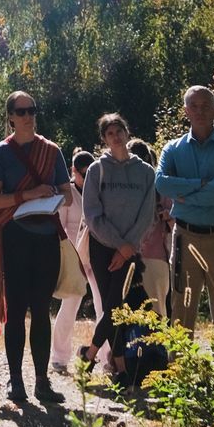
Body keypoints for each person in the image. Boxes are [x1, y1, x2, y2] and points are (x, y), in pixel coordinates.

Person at [0, 89, 76, 412]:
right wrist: (28, 195)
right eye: (21, 111)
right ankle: (15, 381)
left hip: (46, 238)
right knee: (17, 312)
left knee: (41, 311)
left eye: (32, 110)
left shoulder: (52, 151)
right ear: (10, 117)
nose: (28, 116)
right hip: (15, 239)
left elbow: (68, 195)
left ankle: (41, 380)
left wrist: (52, 195)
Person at [154, 85, 214, 332]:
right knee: (181, 311)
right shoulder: (172, 149)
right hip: (185, 236)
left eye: (205, 106)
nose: (200, 111)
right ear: (186, 111)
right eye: (194, 106)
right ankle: (180, 370)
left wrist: (182, 194)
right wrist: (198, 185)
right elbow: (161, 183)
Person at [80, 113, 156, 374]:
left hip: (131, 250)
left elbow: (148, 214)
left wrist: (128, 247)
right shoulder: (96, 170)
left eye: (119, 130)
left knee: (115, 306)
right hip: (102, 248)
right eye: (109, 133)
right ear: (104, 139)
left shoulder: (145, 172)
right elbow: (91, 213)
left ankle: (94, 355)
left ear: (127, 132)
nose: (115, 136)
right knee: (114, 306)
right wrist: (118, 244)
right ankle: (119, 367)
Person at [51, 148, 103, 375]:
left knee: (103, 307)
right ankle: (59, 357)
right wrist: (69, 257)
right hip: (74, 255)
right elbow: (59, 228)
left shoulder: (98, 191)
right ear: (74, 171)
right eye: (83, 172)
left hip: (97, 254)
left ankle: (105, 356)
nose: (87, 176)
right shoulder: (68, 194)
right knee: (70, 305)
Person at [128, 138, 173, 320]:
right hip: (128, 256)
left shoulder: (160, 185)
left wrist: (165, 214)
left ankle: (158, 349)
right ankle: (134, 349)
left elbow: (175, 214)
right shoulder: (124, 186)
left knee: (157, 313)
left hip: (155, 257)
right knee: (132, 315)